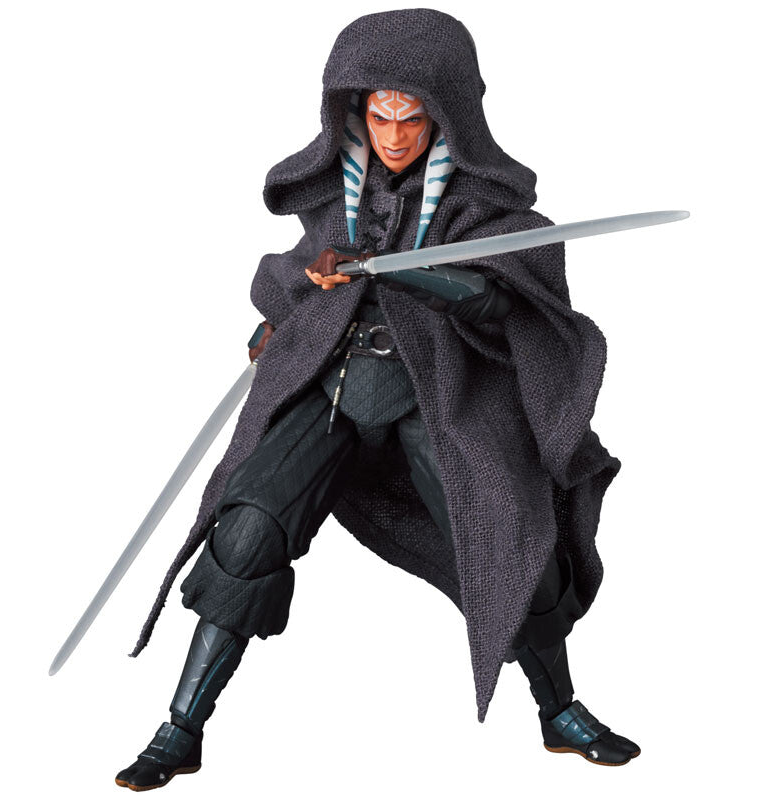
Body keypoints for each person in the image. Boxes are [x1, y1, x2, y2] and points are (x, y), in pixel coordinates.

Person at [115, 9, 639, 792]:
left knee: (508, 533)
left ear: (447, 113)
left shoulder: (485, 208)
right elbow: (298, 280)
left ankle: (559, 710)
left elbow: (513, 306)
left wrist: (417, 274)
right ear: (355, 111)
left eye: (412, 118)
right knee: (247, 530)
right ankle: (180, 729)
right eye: (379, 115)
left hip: (437, 397)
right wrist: (284, 319)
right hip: (330, 388)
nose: (394, 135)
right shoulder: (339, 195)